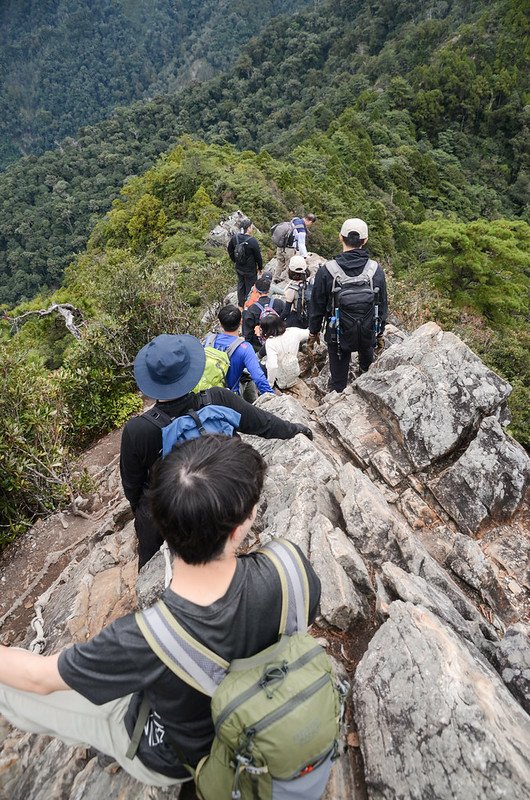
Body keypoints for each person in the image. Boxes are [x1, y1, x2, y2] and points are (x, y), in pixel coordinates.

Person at [0, 435, 321, 791]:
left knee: (11, 691)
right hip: (271, 714)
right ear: (241, 525)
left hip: (180, 758)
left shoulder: (144, 638)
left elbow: (38, 679)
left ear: (162, 523)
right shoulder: (290, 568)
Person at [120, 333, 312, 569]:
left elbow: (132, 486)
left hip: (175, 508)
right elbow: (263, 424)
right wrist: (296, 429)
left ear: (151, 383)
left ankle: (148, 570)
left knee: (146, 514)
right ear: (191, 369)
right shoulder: (218, 398)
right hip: (226, 491)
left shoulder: (139, 430)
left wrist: (141, 511)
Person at [308, 218, 387, 393]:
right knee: (368, 372)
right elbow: (382, 305)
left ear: (340, 237)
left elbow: (317, 306)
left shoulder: (327, 270)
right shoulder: (375, 270)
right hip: (367, 333)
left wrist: (313, 332)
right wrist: (379, 332)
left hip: (337, 335)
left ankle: (338, 399)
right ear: (365, 241)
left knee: (338, 383)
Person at [211, 303, 274, 396]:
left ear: (220, 323)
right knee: (249, 378)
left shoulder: (209, 340)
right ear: (241, 321)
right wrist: (272, 396)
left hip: (208, 391)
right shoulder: (244, 348)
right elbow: (258, 377)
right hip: (229, 395)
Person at [260, 314, 310, 390]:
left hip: (281, 381)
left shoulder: (271, 342)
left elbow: (272, 366)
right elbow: (309, 333)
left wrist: (270, 384)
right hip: (294, 373)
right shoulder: (293, 331)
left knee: (261, 363)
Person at [242, 274, 285, 351]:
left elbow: (247, 334)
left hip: (260, 345)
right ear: (269, 290)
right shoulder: (279, 303)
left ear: (257, 291)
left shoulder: (252, 309)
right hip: (279, 339)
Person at [227, 218, 263, 307]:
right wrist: (260, 268)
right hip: (250, 269)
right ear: (249, 228)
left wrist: (234, 260)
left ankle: (240, 305)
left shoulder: (235, 238)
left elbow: (229, 249)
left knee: (241, 284)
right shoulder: (252, 241)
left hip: (239, 268)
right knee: (250, 287)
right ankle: (248, 305)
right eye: (251, 227)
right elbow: (258, 256)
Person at [273, 213, 316, 283]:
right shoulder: (301, 229)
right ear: (310, 221)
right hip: (289, 249)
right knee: (289, 266)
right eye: (311, 223)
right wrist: (304, 256)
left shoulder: (295, 220)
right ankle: (286, 282)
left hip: (280, 246)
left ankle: (275, 278)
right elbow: (301, 244)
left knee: (280, 263)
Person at [281, 254, 313, 328]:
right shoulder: (311, 282)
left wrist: (277, 321)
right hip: (310, 319)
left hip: (297, 319)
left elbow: (286, 312)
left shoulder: (292, 289)